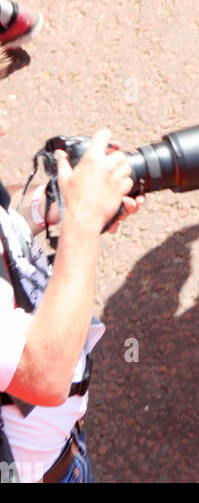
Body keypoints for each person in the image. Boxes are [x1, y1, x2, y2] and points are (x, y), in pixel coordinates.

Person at [0, 125, 138, 480]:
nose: (2, 128)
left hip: (60, 452)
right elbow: (43, 374)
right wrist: (82, 220)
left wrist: (45, 206)